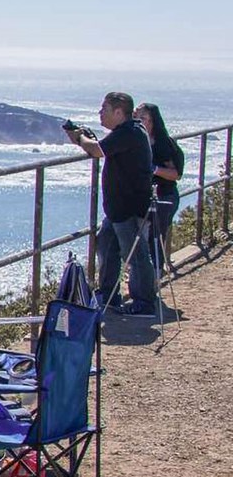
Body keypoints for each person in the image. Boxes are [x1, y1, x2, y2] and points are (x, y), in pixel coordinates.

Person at [68, 92, 156, 314]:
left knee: (135, 255)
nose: (100, 113)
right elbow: (103, 147)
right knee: (106, 246)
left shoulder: (129, 132)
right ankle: (108, 296)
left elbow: (97, 150)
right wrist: (86, 140)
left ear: (119, 112)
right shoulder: (128, 132)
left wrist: (79, 138)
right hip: (118, 208)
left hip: (129, 207)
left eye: (104, 109)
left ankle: (144, 303)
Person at [135, 102, 184, 273]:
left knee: (155, 237)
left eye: (143, 118)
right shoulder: (136, 140)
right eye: (136, 117)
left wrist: (153, 168)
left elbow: (175, 173)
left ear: (153, 121)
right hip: (142, 196)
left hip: (164, 195)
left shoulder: (164, 144)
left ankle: (155, 274)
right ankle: (143, 275)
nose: (139, 121)